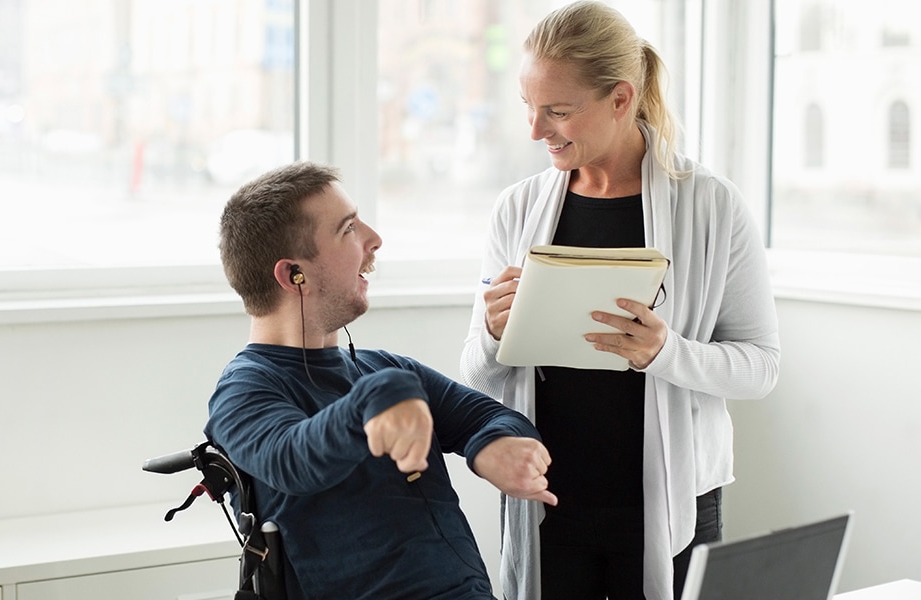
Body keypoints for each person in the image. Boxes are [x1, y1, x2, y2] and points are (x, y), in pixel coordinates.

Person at [458, 2, 781, 600]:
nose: (535, 130)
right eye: (528, 107)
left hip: (672, 499)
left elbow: (761, 367)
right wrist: (492, 334)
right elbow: (476, 376)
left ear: (621, 98)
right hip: (550, 500)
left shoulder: (711, 206)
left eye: (557, 111)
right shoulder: (516, 209)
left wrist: (666, 352)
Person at [206, 161, 557, 599]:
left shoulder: (384, 368)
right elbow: (292, 459)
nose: (374, 239)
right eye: (348, 228)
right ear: (294, 275)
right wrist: (383, 396)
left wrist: (489, 444)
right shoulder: (245, 390)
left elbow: (487, 416)